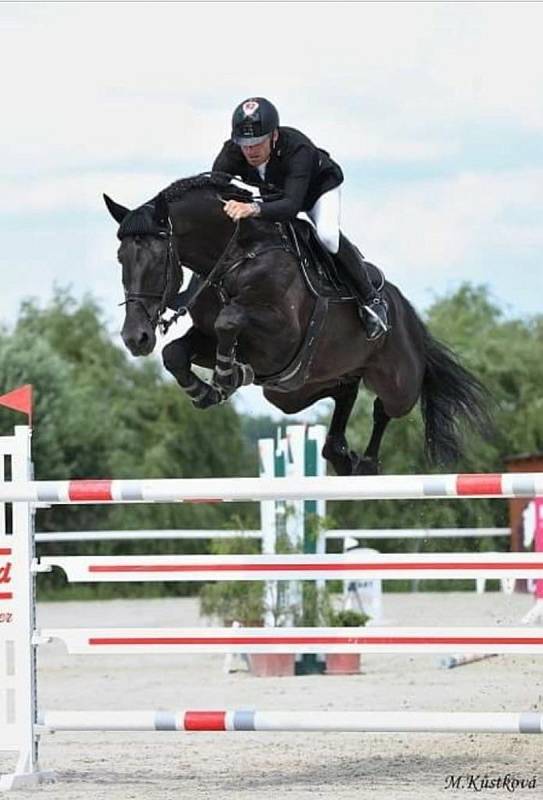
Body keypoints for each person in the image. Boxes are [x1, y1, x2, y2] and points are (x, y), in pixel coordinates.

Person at [212, 97, 389, 340]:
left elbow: (291, 206)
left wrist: (251, 208)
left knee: (326, 236)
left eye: (257, 143)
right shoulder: (233, 152)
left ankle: (372, 299)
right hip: (276, 193)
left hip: (317, 191)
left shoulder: (297, 149)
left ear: (273, 136)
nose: (250, 150)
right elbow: (214, 188)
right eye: (245, 144)